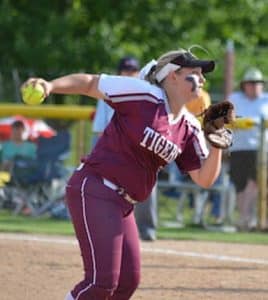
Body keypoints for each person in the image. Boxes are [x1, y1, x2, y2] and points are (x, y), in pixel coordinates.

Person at [22, 47, 224, 300]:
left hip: (124, 203)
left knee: (127, 282)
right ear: (172, 75)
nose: (202, 80)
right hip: (95, 188)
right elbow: (90, 83)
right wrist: (50, 86)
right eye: (194, 73)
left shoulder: (189, 127)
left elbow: (204, 179)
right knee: (101, 282)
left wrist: (217, 145)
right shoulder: (145, 96)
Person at [93, 56, 157, 241]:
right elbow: (100, 128)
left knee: (146, 189)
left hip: (141, 150)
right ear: (119, 72)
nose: (130, 73)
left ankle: (146, 228)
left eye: (133, 70)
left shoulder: (147, 93)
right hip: (114, 150)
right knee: (109, 191)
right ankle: (110, 227)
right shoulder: (109, 91)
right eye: (126, 70)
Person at [229, 67, 268, 230]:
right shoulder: (235, 98)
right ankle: (245, 219)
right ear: (244, 85)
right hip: (238, 148)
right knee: (240, 185)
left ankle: (252, 219)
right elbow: (226, 118)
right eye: (251, 83)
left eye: (257, 83)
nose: (254, 86)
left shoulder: (266, 100)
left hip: (261, 150)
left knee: (256, 184)